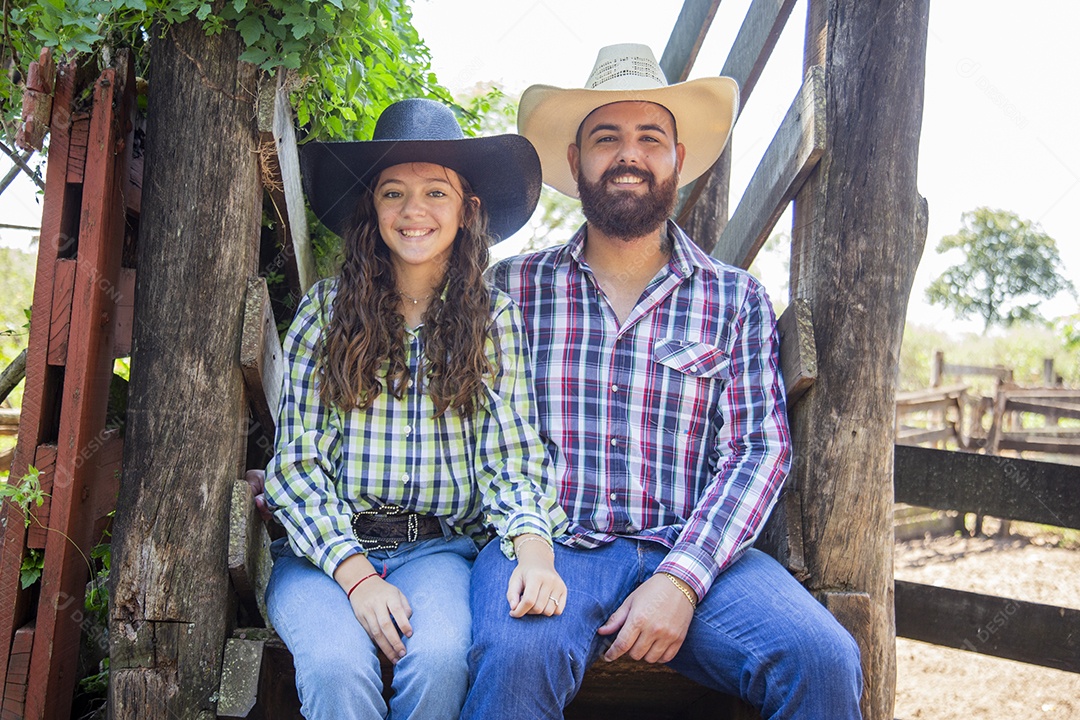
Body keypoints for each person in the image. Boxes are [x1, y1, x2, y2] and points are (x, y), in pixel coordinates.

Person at [461, 44, 863, 719]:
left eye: (650, 137)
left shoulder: (733, 300)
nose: (628, 154)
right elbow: (464, 426)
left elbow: (757, 450)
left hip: (694, 548)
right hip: (548, 545)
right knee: (517, 658)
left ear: (676, 158)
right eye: (606, 138)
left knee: (821, 658)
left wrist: (681, 579)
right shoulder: (511, 289)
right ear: (575, 161)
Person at [262, 98, 568, 720]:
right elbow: (296, 465)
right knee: (335, 665)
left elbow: (511, 456)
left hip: (437, 552)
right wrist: (356, 576)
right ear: (371, 210)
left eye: (436, 192)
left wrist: (535, 547)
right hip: (324, 554)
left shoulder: (493, 321)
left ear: (467, 210)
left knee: (441, 659)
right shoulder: (326, 314)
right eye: (393, 193)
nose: (413, 211)